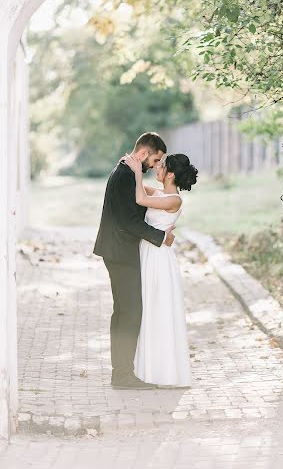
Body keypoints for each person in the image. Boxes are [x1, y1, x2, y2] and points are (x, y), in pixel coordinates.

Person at [93, 133, 176, 390]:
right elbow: (129, 221)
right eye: (155, 160)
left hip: (119, 251)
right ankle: (123, 375)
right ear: (143, 154)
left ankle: (121, 372)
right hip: (120, 253)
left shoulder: (127, 172)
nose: (154, 166)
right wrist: (160, 237)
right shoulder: (125, 175)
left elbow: (143, 204)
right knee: (129, 313)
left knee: (124, 312)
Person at [124, 151, 198, 387]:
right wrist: (131, 168)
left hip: (158, 260)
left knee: (158, 309)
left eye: (161, 166)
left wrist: (136, 174)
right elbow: (144, 191)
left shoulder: (174, 199)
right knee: (148, 309)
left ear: (171, 174)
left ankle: (164, 371)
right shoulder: (163, 193)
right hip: (149, 253)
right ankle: (148, 369)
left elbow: (140, 200)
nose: (157, 169)